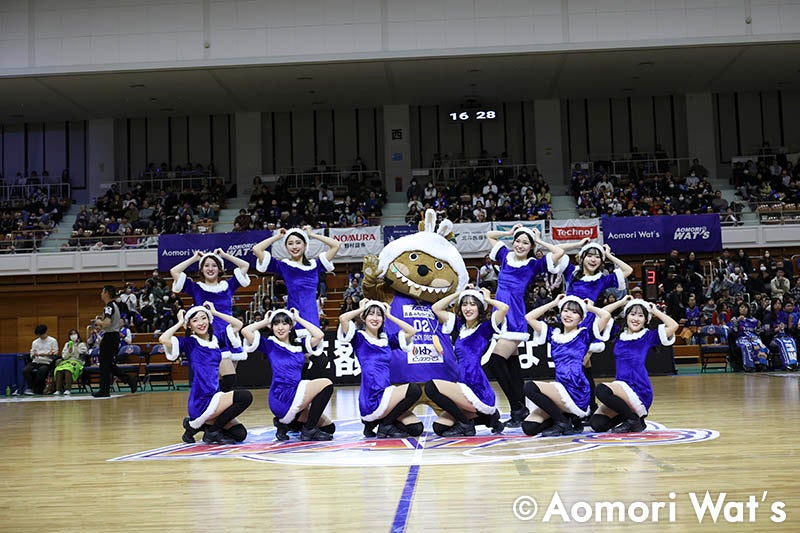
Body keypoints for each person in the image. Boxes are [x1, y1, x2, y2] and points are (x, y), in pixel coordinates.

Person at [484, 224, 566, 427]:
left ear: (531, 247)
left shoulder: (533, 264)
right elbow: (490, 235)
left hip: (514, 318)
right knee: (513, 367)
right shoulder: (505, 256)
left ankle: (517, 407)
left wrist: (538, 240)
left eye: (525, 243)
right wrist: (508, 232)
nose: (520, 245)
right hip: (500, 315)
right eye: (518, 241)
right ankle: (520, 409)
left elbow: (559, 252)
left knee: (495, 362)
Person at [160, 303, 253, 445]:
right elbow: (163, 339)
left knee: (239, 434)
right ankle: (212, 432)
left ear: (209, 320)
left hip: (215, 395)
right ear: (189, 326)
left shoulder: (216, 339)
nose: (201, 323)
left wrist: (215, 312)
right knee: (245, 397)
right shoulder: (190, 342)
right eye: (195, 320)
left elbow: (238, 324)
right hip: (201, 399)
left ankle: (193, 427)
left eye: (203, 318)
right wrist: (180, 322)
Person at [522, 295, 612, 436]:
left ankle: (562, 422)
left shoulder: (584, 334)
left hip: (577, 389)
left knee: (530, 387)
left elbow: (606, 316)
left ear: (581, 318)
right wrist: (553, 303)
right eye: (565, 311)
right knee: (529, 427)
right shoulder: (554, 335)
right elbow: (529, 317)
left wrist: (588, 307)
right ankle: (569, 420)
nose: (569, 315)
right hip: (560, 389)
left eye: (575, 312)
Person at [241, 308, 334, 442]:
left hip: (296, 392)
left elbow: (319, 335)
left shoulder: (300, 346)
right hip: (281, 396)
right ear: (272, 327)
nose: (280, 327)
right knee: (326, 384)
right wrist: (265, 321)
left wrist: (298, 319)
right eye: (276, 324)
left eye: (284, 323)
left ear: (290, 326)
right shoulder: (270, 345)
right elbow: (245, 331)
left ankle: (283, 424)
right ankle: (308, 430)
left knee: (329, 428)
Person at [426, 287, 509, 436]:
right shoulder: (460, 326)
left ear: (480, 307)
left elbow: (504, 308)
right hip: (461, 382)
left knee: (431, 387)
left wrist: (487, 299)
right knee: (439, 427)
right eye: (464, 304)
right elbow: (436, 308)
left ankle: (466, 424)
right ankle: (488, 418)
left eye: (472, 304)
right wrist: (459, 292)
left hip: (477, 386)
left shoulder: (485, 328)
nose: (468, 308)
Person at [590, 297, 678, 433]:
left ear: (646, 320)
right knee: (597, 424)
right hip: (621, 389)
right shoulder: (618, 334)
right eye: (632, 314)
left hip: (639, 389)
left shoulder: (648, 336)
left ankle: (632, 420)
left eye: (641, 315)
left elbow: (674, 326)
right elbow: (602, 315)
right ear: (626, 316)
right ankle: (635, 419)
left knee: (601, 390)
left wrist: (655, 311)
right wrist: (621, 302)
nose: (636, 319)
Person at [337, 299, 421, 438]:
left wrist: (389, 315)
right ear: (364, 317)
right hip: (371, 396)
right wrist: (361, 308)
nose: (375, 318)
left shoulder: (386, 339)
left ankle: (380, 423)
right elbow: (343, 319)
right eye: (371, 314)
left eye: (379, 315)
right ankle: (385, 425)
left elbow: (412, 331)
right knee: (414, 390)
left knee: (416, 428)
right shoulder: (358, 338)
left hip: (387, 393)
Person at [171, 249, 251, 392]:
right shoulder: (196, 288)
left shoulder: (228, 286)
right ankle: (213, 404)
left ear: (219, 269)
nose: (210, 268)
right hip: (208, 337)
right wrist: (194, 258)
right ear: (201, 270)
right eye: (206, 265)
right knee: (224, 379)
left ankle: (218, 405)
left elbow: (245, 266)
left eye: (214, 265)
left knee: (226, 382)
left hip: (228, 335)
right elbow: (174, 271)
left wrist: (224, 255)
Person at [252, 226, 341, 334]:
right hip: (294, 317)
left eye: (298, 242)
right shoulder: (284, 266)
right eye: (290, 243)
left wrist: (312, 235)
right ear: (286, 247)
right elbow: (256, 249)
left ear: (305, 244)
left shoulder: (315, 265)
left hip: (312, 317)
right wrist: (277, 237)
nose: (294, 247)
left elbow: (336, 245)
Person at [92, 286, 138, 398]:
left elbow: (107, 323)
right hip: (113, 336)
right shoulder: (114, 306)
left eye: (102, 292)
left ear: (107, 293)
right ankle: (129, 380)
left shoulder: (109, 306)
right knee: (108, 364)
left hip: (110, 336)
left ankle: (104, 390)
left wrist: (98, 322)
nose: (101, 294)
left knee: (104, 364)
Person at [22, 324, 58, 395]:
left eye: (41, 334)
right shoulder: (35, 342)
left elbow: (55, 354)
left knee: (42, 370)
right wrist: (33, 355)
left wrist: (46, 355)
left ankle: (35, 388)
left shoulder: (53, 341)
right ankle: (31, 387)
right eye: (39, 335)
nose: (40, 336)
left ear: (45, 332)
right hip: (36, 361)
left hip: (47, 362)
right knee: (25, 370)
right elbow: (32, 354)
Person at [53, 329, 87, 395]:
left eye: (74, 334)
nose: (73, 336)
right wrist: (69, 351)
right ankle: (58, 389)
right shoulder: (67, 344)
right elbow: (64, 356)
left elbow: (80, 356)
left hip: (77, 362)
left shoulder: (82, 344)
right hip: (67, 361)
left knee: (68, 370)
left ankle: (68, 389)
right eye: (71, 334)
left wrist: (75, 347)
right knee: (58, 369)